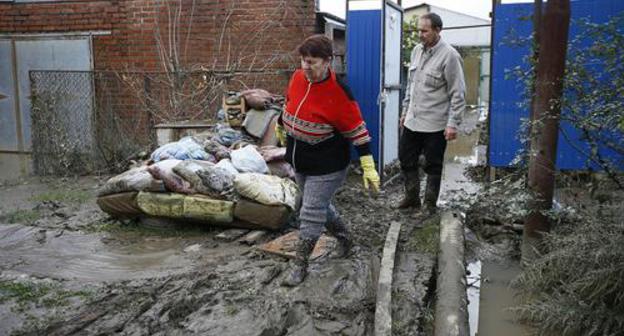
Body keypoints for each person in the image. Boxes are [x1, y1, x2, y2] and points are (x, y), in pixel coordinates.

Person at [275, 34, 380, 286]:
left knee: (309, 210)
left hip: (328, 163)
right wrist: (282, 125)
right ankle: (345, 238)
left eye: (312, 62)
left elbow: (358, 130)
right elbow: (291, 103)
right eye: (303, 61)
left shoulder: (339, 92)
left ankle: (300, 265)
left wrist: (368, 164)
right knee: (318, 205)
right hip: (300, 157)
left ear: (328, 61)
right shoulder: (298, 78)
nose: (305, 67)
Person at [397, 13, 466, 217]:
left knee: (432, 164)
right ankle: (412, 198)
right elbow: (411, 85)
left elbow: (458, 93)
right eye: (419, 30)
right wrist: (404, 111)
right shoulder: (417, 51)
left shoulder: (450, 56)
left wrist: (453, 124)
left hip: (435, 123)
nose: (420, 34)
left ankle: (429, 205)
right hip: (413, 119)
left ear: (437, 30)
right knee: (405, 158)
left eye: (425, 31)